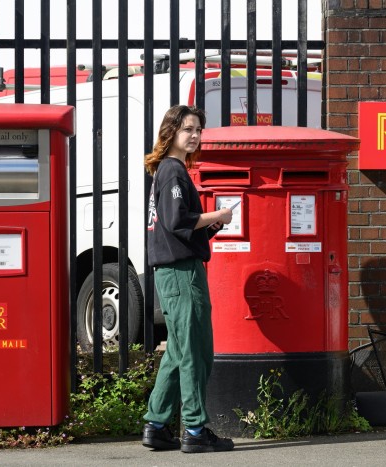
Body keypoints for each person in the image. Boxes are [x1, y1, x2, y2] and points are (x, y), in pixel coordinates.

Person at [141, 105, 234, 453]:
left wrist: (210, 226)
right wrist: (219, 213)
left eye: (198, 130)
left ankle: (157, 424)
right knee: (196, 350)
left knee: (178, 352)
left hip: (172, 270)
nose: (195, 135)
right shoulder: (173, 170)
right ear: (171, 133)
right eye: (188, 130)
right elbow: (179, 220)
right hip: (182, 274)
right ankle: (194, 430)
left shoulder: (166, 172)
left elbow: (174, 228)